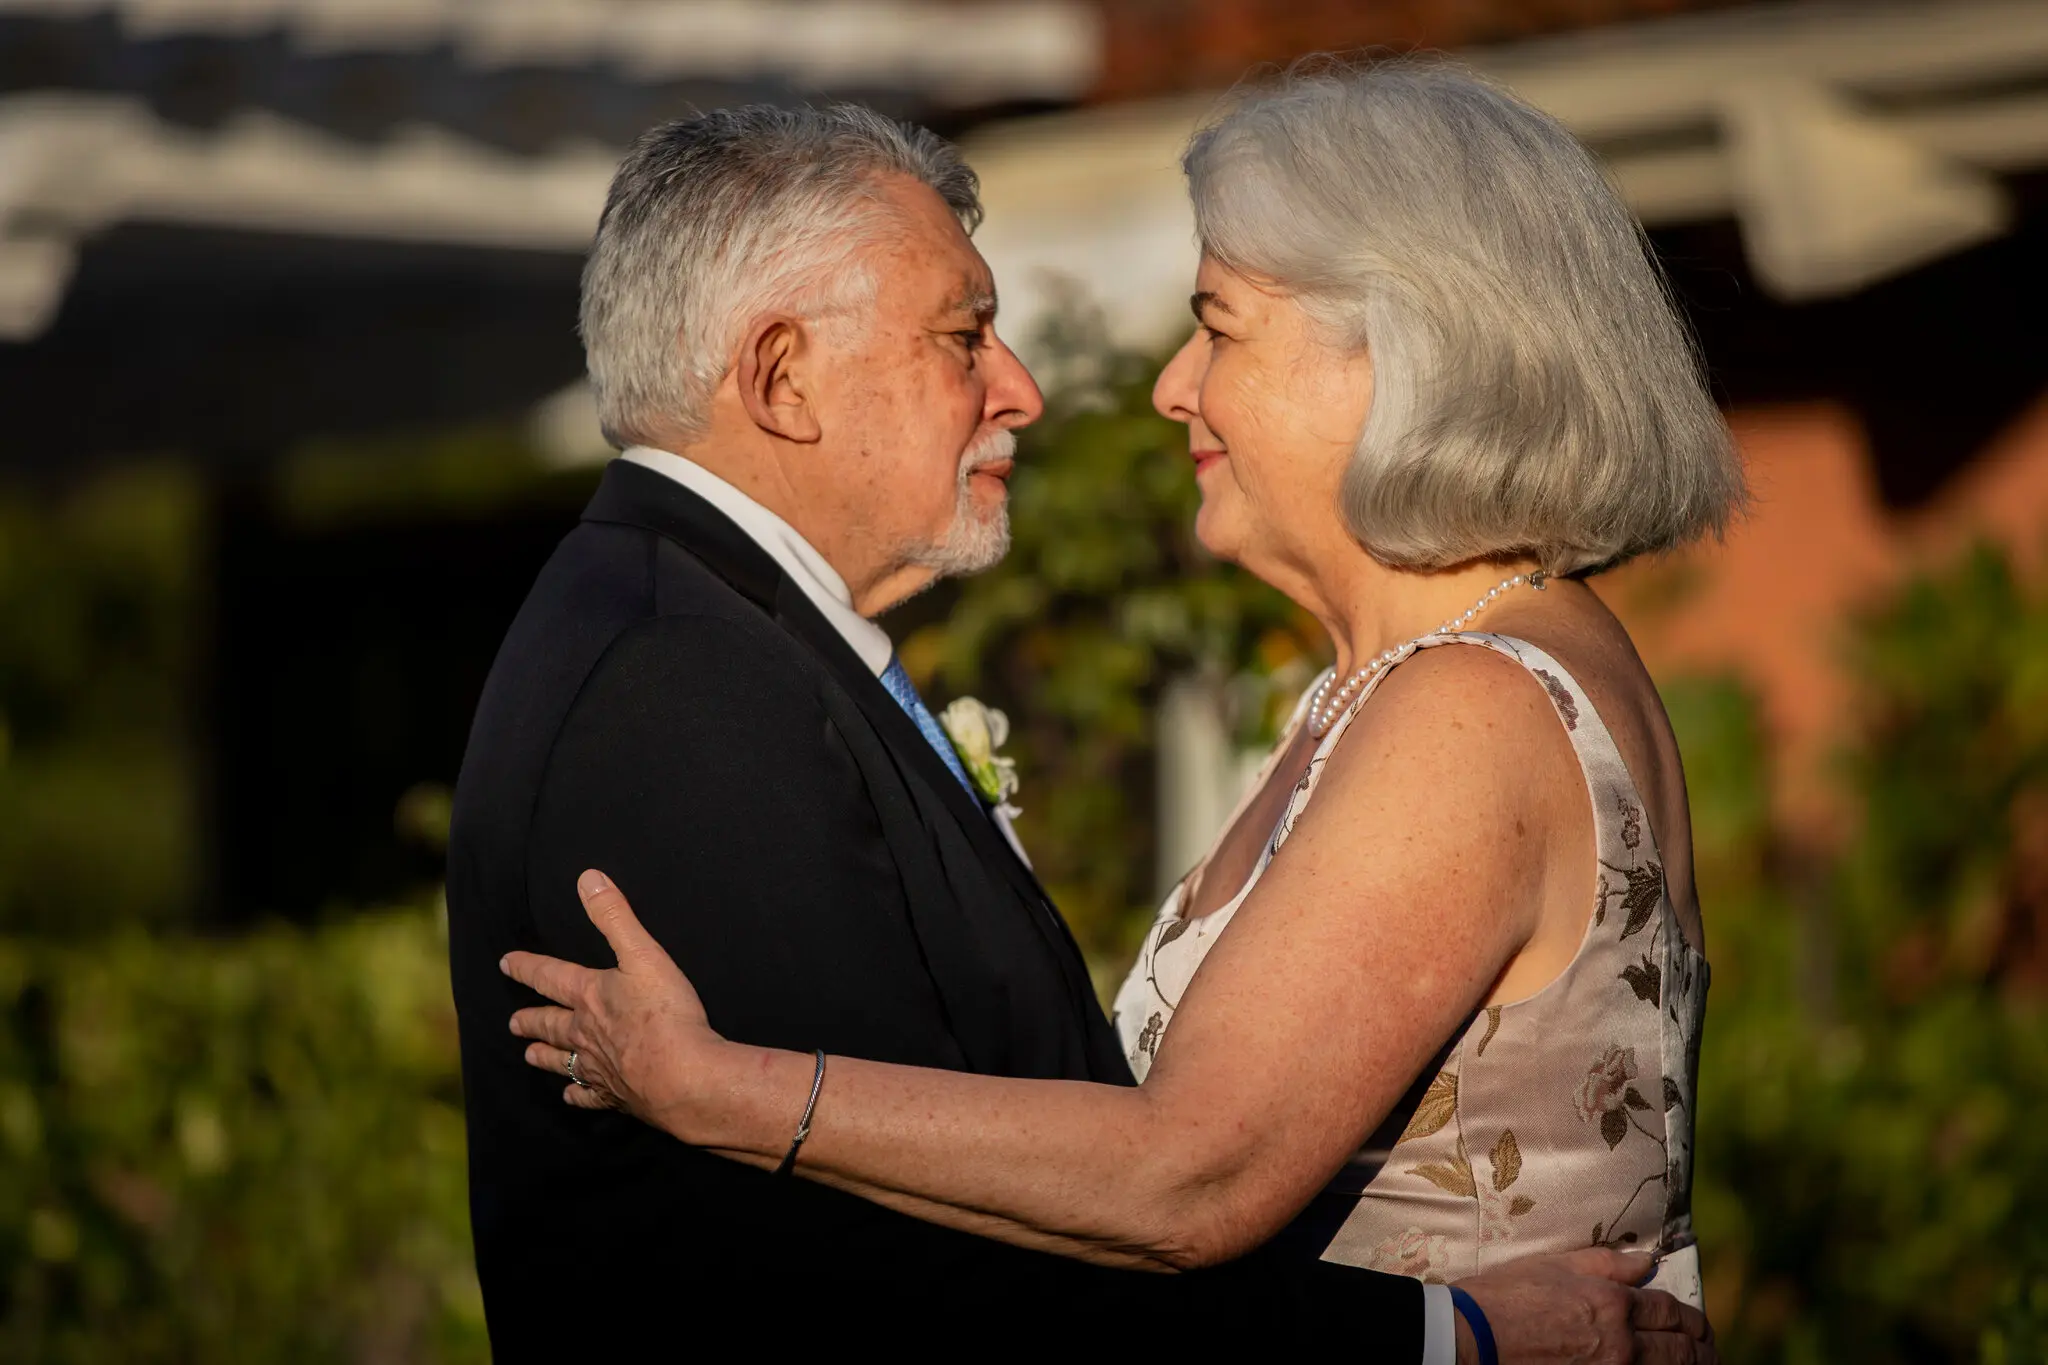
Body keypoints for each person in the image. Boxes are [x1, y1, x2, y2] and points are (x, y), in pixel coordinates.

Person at [452, 94, 1719, 1360]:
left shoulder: (1466, 702)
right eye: (965, 335)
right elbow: (893, 1271)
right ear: (781, 378)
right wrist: (1459, 1338)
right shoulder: (680, 675)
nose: (1161, 389)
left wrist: (723, 1090)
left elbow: (1185, 1176)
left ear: (1396, 357)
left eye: (1214, 328)